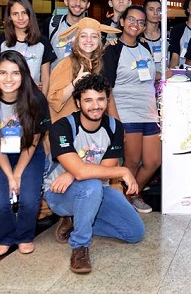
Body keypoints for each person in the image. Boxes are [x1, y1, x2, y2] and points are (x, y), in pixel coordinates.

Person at [44, 74, 144, 274]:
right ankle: (80, 247)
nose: (95, 106)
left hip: (96, 188)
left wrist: (74, 173)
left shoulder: (115, 127)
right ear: (78, 103)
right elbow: (90, 173)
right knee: (91, 185)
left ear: (107, 100)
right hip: (59, 193)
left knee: (134, 232)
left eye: (100, 99)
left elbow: (104, 172)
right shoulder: (62, 127)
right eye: (88, 100)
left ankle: (78, 222)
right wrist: (122, 170)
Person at [0, 51, 49, 256]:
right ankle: (5, 237)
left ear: (24, 75)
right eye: (3, 73)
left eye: (15, 73)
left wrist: (18, 174)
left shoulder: (36, 100)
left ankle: (25, 235)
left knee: (29, 200)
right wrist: (9, 175)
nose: (9, 79)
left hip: (29, 152)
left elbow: (34, 142)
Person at [102, 6, 160, 214]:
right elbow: (106, 87)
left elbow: (151, 78)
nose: (136, 24)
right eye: (132, 20)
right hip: (125, 112)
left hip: (149, 113)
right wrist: (116, 120)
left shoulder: (145, 48)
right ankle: (127, 200)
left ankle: (130, 195)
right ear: (123, 21)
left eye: (141, 22)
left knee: (154, 161)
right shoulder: (112, 49)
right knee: (132, 161)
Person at [47, 18, 121, 123]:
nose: (89, 40)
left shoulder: (97, 64)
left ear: (99, 41)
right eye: (83, 36)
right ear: (77, 39)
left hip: (88, 129)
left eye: (94, 36)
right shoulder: (66, 64)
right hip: (66, 129)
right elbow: (53, 100)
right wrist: (75, 83)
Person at [0, 0, 55, 96]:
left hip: (32, 99)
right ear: (9, 17)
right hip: (4, 98)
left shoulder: (43, 42)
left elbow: (45, 77)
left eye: (24, 13)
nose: (20, 18)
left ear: (30, 14)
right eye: (15, 14)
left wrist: (43, 101)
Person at [43, 0, 90, 69]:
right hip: (54, 79)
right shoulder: (52, 23)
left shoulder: (91, 28)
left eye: (83, 0)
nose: (78, 4)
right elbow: (42, 53)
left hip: (81, 80)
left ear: (88, 4)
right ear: (66, 2)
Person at [140, 0, 163, 76]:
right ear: (145, 12)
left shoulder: (166, 36)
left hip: (165, 81)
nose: (156, 13)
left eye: (158, 10)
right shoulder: (138, 37)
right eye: (151, 9)